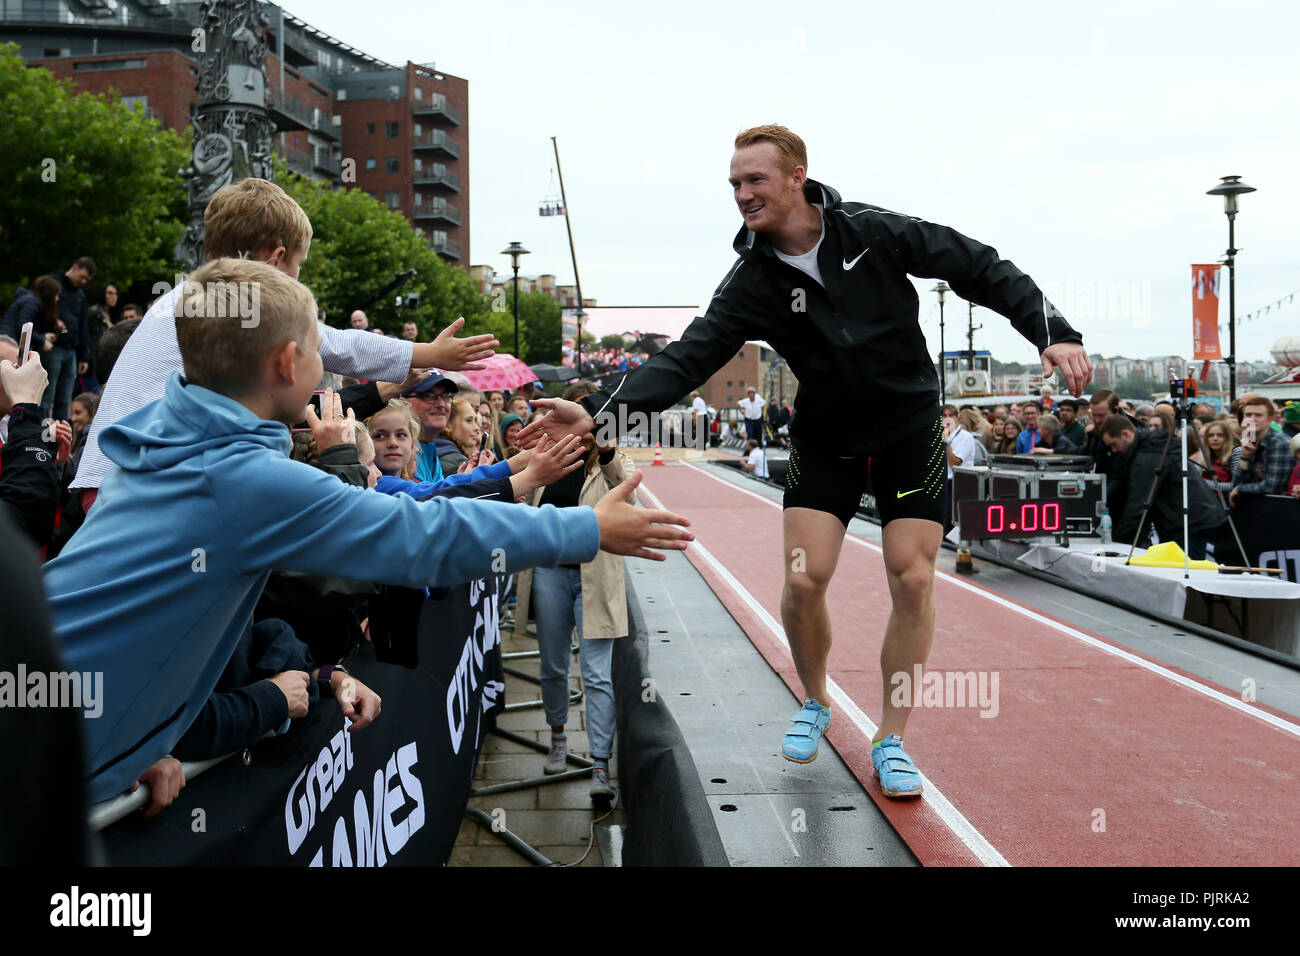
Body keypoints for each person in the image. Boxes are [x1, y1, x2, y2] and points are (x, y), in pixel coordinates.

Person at [518, 124, 1090, 796]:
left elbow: (977, 265)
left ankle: (891, 737)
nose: (742, 194)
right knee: (806, 579)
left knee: (911, 577)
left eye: (754, 180)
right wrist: (598, 414)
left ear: (797, 176)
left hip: (907, 430)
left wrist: (1052, 332)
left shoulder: (871, 231)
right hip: (826, 438)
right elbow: (688, 357)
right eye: (734, 184)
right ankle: (815, 698)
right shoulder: (753, 280)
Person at [42, 258, 694, 806]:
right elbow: (422, 534)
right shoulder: (242, 480)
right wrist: (583, 527)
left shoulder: (169, 438)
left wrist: (144, 741)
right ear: (290, 362)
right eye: (321, 349)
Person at [71, 178, 499, 515]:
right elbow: (333, 343)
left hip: (118, 476)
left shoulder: (185, 297)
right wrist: (428, 354)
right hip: (143, 486)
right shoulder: (242, 299)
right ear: (276, 260)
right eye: (298, 267)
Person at [515, 381, 632, 802]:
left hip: (594, 577)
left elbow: (630, 486)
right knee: (552, 664)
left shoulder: (611, 458)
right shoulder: (548, 454)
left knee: (597, 675)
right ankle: (559, 737)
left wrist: (608, 448)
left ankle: (601, 764)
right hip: (550, 571)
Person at [1099, 415, 1229, 559]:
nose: (1114, 450)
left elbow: (1138, 506)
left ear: (1126, 434)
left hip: (1187, 521)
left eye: (1113, 445)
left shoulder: (1147, 458)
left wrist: (1118, 542)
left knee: (1187, 571)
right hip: (1187, 518)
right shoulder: (1151, 449)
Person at [41, 257, 95, 421]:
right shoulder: (52, 283)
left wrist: (84, 356)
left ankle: (60, 439)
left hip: (71, 350)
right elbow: (39, 309)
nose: (83, 281)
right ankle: (38, 435)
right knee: (46, 395)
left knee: (65, 399)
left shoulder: (80, 294)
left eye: (87, 279)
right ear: (75, 267)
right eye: (82, 276)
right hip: (52, 347)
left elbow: (82, 325)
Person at [1231, 393, 1292, 506]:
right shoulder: (1249, 440)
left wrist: (1240, 489)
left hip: (1281, 510)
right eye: (1248, 415)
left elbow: (1272, 487)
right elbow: (1236, 483)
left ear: (1269, 420)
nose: (1252, 419)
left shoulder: (1281, 443)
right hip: (1259, 509)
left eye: (1258, 415)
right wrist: (1245, 457)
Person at [401, 372, 460, 483]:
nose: (441, 404)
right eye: (428, 396)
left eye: (446, 396)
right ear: (404, 403)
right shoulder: (400, 453)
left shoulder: (429, 446)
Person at [1194, 420, 1240, 497]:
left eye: (1220, 435)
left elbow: (1236, 485)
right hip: (1209, 501)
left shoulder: (1236, 451)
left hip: (1230, 501)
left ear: (1227, 438)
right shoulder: (1204, 454)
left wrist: (1204, 483)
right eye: (1211, 435)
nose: (1215, 439)